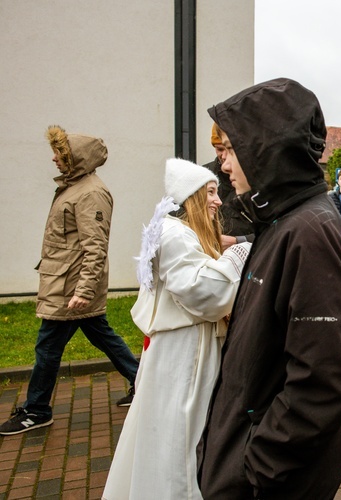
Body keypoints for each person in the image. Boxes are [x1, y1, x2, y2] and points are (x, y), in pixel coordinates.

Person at [196, 78, 341, 499]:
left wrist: (257, 468)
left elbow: (320, 384)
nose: (223, 165)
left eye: (231, 150)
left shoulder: (309, 232)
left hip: (269, 482)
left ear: (266, 147)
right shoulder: (279, 223)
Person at [103, 159, 250, 499]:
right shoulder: (176, 235)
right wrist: (238, 253)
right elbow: (208, 293)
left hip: (187, 348)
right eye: (211, 193)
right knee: (178, 435)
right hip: (183, 355)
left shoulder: (181, 233)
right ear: (191, 197)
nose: (218, 200)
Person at [0, 126, 139, 436]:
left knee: (47, 346)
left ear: (76, 158)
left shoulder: (91, 193)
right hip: (66, 284)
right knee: (102, 335)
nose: (53, 159)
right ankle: (142, 381)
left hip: (71, 288)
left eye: (60, 154)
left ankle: (37, 410)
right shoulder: (74, 188)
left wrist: (84, 290)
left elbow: (95, 247)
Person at [203, 123, 254, 248]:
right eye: (220, 149)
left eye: (230, 149)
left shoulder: (258, 180)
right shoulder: (201, 177)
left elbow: (275, 229)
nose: (224, 156)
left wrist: (238, 241)